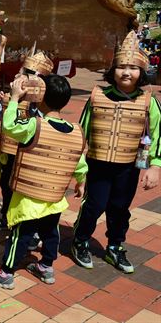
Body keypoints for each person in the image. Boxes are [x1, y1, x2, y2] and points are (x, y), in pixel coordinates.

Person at [0, 74, 87, 289]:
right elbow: (79, 163)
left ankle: (5, 272)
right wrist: (81, 182)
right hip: (54, 198)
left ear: (41, 98)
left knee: (20, 234)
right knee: (50, 232)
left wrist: (15, 99)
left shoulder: (34, 125)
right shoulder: (76, 131)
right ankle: (46, 267)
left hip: (29, 198)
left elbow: (9, 126)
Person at [72, 31, 160, 273]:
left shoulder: (148, 100)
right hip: (97, 164)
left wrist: (155, 166)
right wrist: (78, 167)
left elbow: (158, 134)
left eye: (133, 67)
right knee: (94, 205)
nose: (127, 72)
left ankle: (115, 246)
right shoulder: (97, 96)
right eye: (122, 66)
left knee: (120, 208)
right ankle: (80, 240)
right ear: (113, 70)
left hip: (129, 166)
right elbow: (82, 131)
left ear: (142, 70)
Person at [0, 51, 54, 233]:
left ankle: (27, 229)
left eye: (26, 73)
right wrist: (2, 104)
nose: (18, 76)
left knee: (25, 192)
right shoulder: (13, 95)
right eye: (21, 71)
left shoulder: (41, 103)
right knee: (7, 186)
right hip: (9, 153)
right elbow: (5, 121)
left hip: (29, 155)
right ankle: (6, 218)